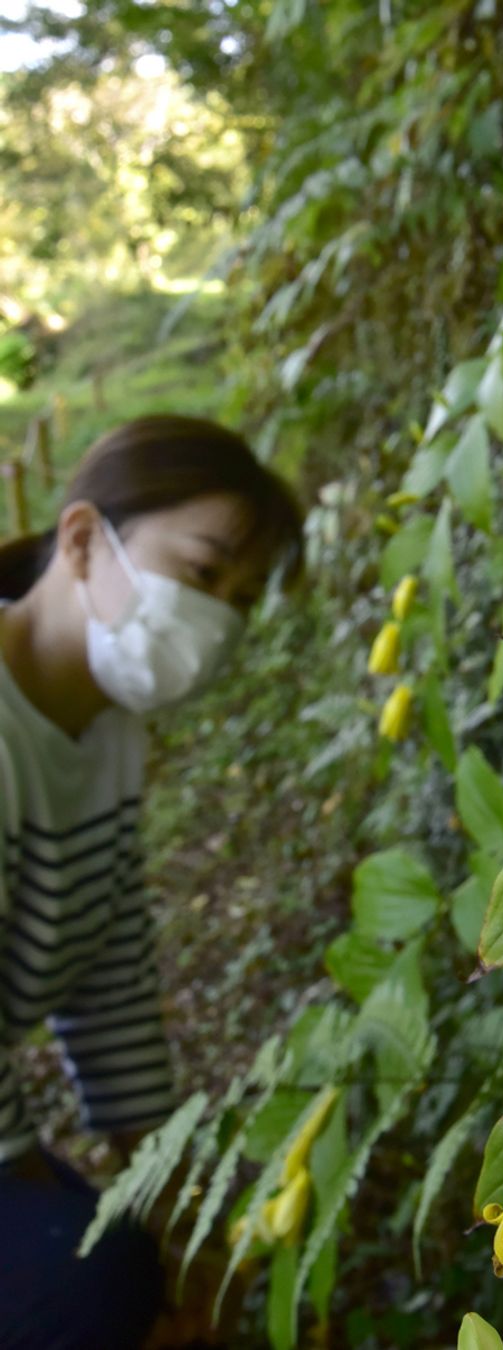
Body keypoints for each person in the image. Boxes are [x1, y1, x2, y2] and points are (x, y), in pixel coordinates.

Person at [0, 413, 303, 1350]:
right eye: (203, 574)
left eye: (245, 598)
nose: (216, 621)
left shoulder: (109, 728)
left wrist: (171, 1204)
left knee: (125, 1256)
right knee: (85, 1286)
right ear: (85, 539)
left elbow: (110, 979)